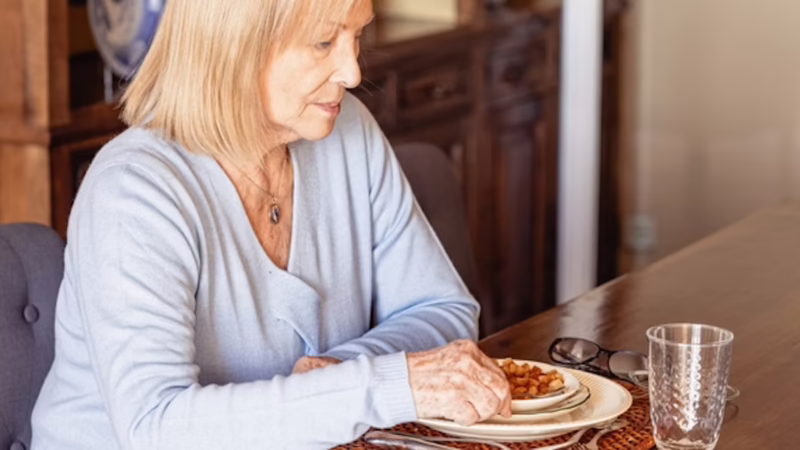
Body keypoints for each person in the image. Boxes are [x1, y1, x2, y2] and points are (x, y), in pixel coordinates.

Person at [31, 0, 512, 448]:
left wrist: (337, 377)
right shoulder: (133, 189)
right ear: (235, 44)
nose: (352, 71)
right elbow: (156, 425)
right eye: (324, 42)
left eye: (357, 35)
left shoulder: (349, 132)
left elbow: (442, 308)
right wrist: (380, 386)